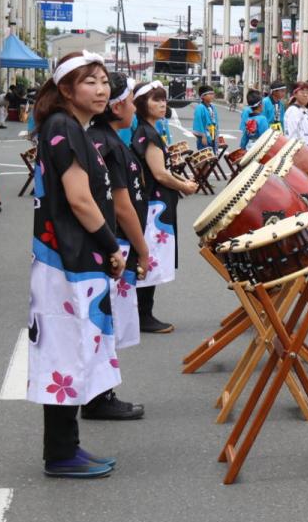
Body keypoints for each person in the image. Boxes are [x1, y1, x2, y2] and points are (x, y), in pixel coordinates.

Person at [27, 50, 124, 478]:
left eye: (104, 80)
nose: (102, 89)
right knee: (64, 350)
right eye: (90, 81)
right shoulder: (64, 127)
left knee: (73, 348)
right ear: (66, 89)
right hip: (66, 259)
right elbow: (80, 199)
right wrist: (112, 246)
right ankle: (61, 453)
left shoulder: (71, 127)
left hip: (74, 257)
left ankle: (67, 447)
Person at [84, 71, 149, 421]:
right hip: (115, 243)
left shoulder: (99, 137)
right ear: (119, 104)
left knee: (102, 321)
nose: (135, 107)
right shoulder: (107, 143)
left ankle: (99, 393)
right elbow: (122, 206)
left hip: (104, 242)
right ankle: (99, 397)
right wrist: (142, 247)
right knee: (105, 323)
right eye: (133, 99)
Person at [132, 80, 199, 333]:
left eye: (163, 99)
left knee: (150, 256)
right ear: (141, 104)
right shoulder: (148, 133)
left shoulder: (147, 130)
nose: (162, 104)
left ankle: (141, 313)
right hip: (154, 205)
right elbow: (159, 174)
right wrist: (185, 186)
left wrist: (182, 181)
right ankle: (143, 315)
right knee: (150, 257)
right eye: (155, 100)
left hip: (154, 203)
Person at [284, 80, 308, 147]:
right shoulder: (293, 110)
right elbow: (292, 135)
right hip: (301, 149)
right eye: (302, 92)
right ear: (295, 94)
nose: (305, 95)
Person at [191, 85, 219, 149]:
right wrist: (203, 136)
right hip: (204, 137)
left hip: (212, 136)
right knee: (205, 156)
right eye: (210, 94)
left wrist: (216, 137)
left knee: (213, 156)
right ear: (203, 96)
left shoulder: (213, 107)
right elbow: (198, 123)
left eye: (213, 94)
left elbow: (216, 122)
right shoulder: (200, 108)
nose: (212, 96)